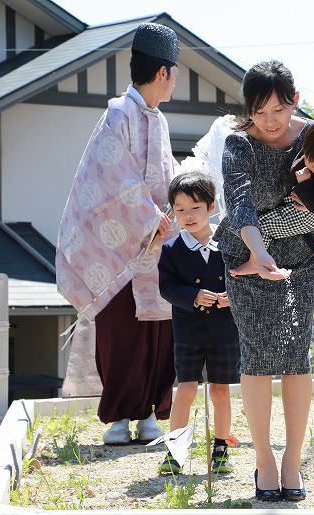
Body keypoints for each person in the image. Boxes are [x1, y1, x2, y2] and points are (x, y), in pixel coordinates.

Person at [214, 59, 314, 502]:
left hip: (301, 257)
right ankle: (264, 460)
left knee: (294, 354)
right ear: (248, 109)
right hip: (245, 255)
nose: (270, 121)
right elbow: (239, 203)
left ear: (295, 100)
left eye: (278, 109)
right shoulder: (238, 144)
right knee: (257, 356)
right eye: (259, 111)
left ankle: (293, 459)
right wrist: (258, 251)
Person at [55, 23, 180, 445]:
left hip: (156, 243)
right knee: (122, 330)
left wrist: (180, 206)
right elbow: (109, 179)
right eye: (175, 71)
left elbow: (169, 174)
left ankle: (150, 415)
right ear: (163, 72)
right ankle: (119, 419)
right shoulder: (118, 113)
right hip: (122, 246)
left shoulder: (158, 121)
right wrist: (148, 215)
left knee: (158, 329)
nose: (175, 79)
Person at [157, 171, 240, 475]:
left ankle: (220, 450)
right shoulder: (171, 249)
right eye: (179, 209)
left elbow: (245, 276)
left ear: (211, 206)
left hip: (224, 330)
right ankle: (175, 451)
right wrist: (193, 295)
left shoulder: (230, 243)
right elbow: (166, 287)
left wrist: (232, 295)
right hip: (188, 330)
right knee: (187, 389)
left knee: (220, 390)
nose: (187, 215)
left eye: (195, 208)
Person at [232, 116, 314, 275]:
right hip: (306, 205)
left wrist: (304, 182)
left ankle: (254, 262)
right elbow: (292, 175)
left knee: (261, 226)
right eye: (311, 159)